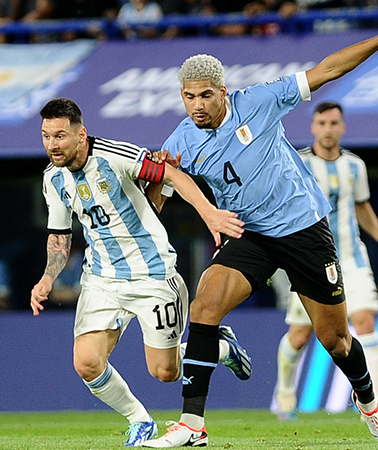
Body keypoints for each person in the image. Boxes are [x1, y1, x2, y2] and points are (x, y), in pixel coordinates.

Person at [142, 1, 378, 446]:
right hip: (251, 234)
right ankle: (192, 425)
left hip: (303, 230)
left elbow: (327, 69)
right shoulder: (180, 139)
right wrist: (158, 182)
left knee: (334, 339)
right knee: (204, 307)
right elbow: (157, 197)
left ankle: (370, 405)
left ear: (223, 90)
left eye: (205, 95)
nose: (197, 105)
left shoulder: (259, 101)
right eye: (188, 96)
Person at [29, 98, 250, 447]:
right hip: (102, 279)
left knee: (165, 372)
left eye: (60, 136)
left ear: (81, 134)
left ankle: (220, 348)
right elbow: (60, 235)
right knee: (86, 363)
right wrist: (47, 278)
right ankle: (139, 419)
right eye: (45, 136)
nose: (52, 145)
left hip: (153, 275)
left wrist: (209, 214)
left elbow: (171, 174)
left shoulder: (115, 157)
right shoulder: (53, 179)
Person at [271, 101, 378, 421]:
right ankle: (285, 392)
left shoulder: (355, 166)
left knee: (366, 321)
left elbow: (362, 206)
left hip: (352, 259)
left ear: (343, 127)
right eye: (322, 123)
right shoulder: (297, 163)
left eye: (333, 123)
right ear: (313, 127)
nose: (328, 130)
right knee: (299, 337)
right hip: (310, 263)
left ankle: (373, 405)